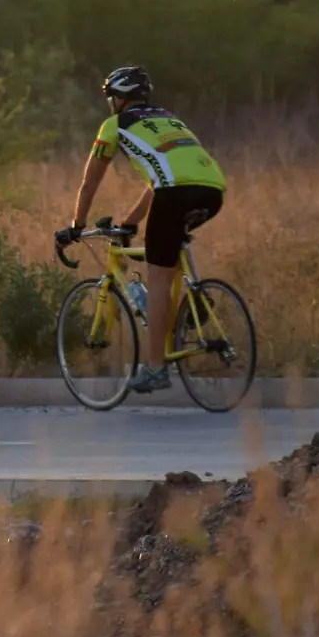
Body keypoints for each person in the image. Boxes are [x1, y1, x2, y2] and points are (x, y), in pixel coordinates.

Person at [55, 65, 226, 393]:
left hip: (175, 192)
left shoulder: (115, 125)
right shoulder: (170, 119)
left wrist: (76, 225)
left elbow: (89, 182)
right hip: (213, 188)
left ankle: (156, 369)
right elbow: (160, 180)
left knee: (157, 277)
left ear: (118, 98)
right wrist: (131, 222)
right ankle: (192, 304)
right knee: (170, 251)